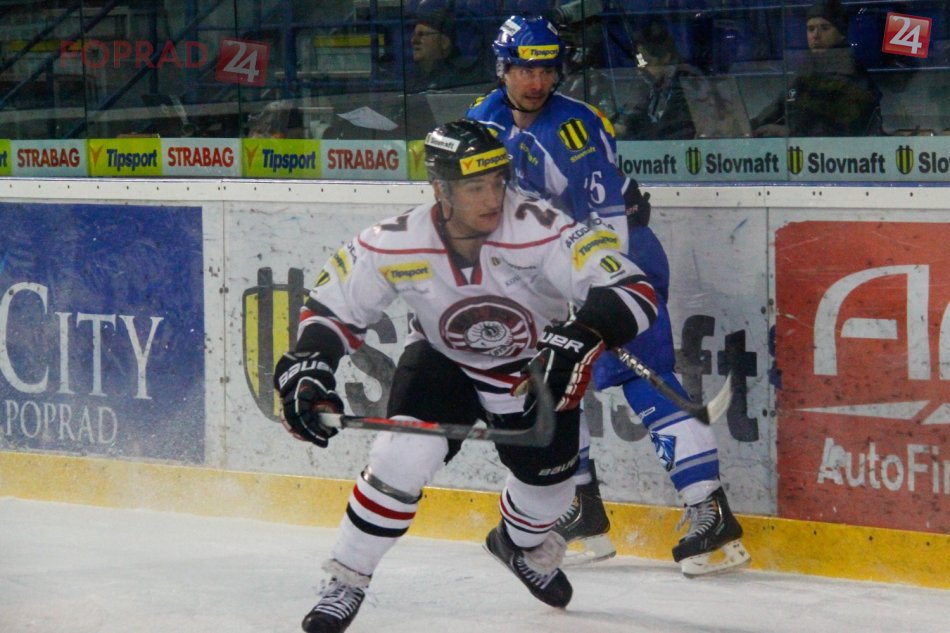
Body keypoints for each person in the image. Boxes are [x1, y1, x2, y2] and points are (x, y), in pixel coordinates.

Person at [273, 118, 660, 633]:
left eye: (497, 182)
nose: (492, 198)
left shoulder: (542, 228)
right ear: (441, 189)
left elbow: (633, 288)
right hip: (443, 361)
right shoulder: (395, 241)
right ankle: (347, 578)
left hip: (532, 370)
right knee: (400, 456)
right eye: (475, 187)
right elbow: (331, 309)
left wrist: (583, 333)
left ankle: (515, 544)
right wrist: (311, 365)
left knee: (550, 495)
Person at [467, 14, 749, 575]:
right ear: (503, 68)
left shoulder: (576, 129)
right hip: (547, 271)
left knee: (646, 382)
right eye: (525, 70)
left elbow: (607, 222)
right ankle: (580, 508)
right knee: (554, 385)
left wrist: (598, 289)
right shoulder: (483, 119)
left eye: (547, 70)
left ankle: (710, 510)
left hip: (617, 262)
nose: (537, 82)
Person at [751, 0, 882, 137]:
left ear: (842, 33)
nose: (816, 35)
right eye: (810, 29)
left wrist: (788, 132)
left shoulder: (854, 77)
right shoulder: (805, 72)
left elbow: (840, 134)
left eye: (825, 28)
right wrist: (751, 126)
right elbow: (780, 105)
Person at [612, 19, 703, 140]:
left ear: (665, 58)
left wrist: (631, 129)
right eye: (640, 63)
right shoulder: (654, 85)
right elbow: (639, 111)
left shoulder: (688, 83)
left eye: (647, 62)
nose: (641, 70)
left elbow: (675, 130)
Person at [406, 1, 490, 93]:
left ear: (444, 42)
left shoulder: (468, 77)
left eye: (422, 34)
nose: (414, 40)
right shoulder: (410, 80)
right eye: (413, 35)